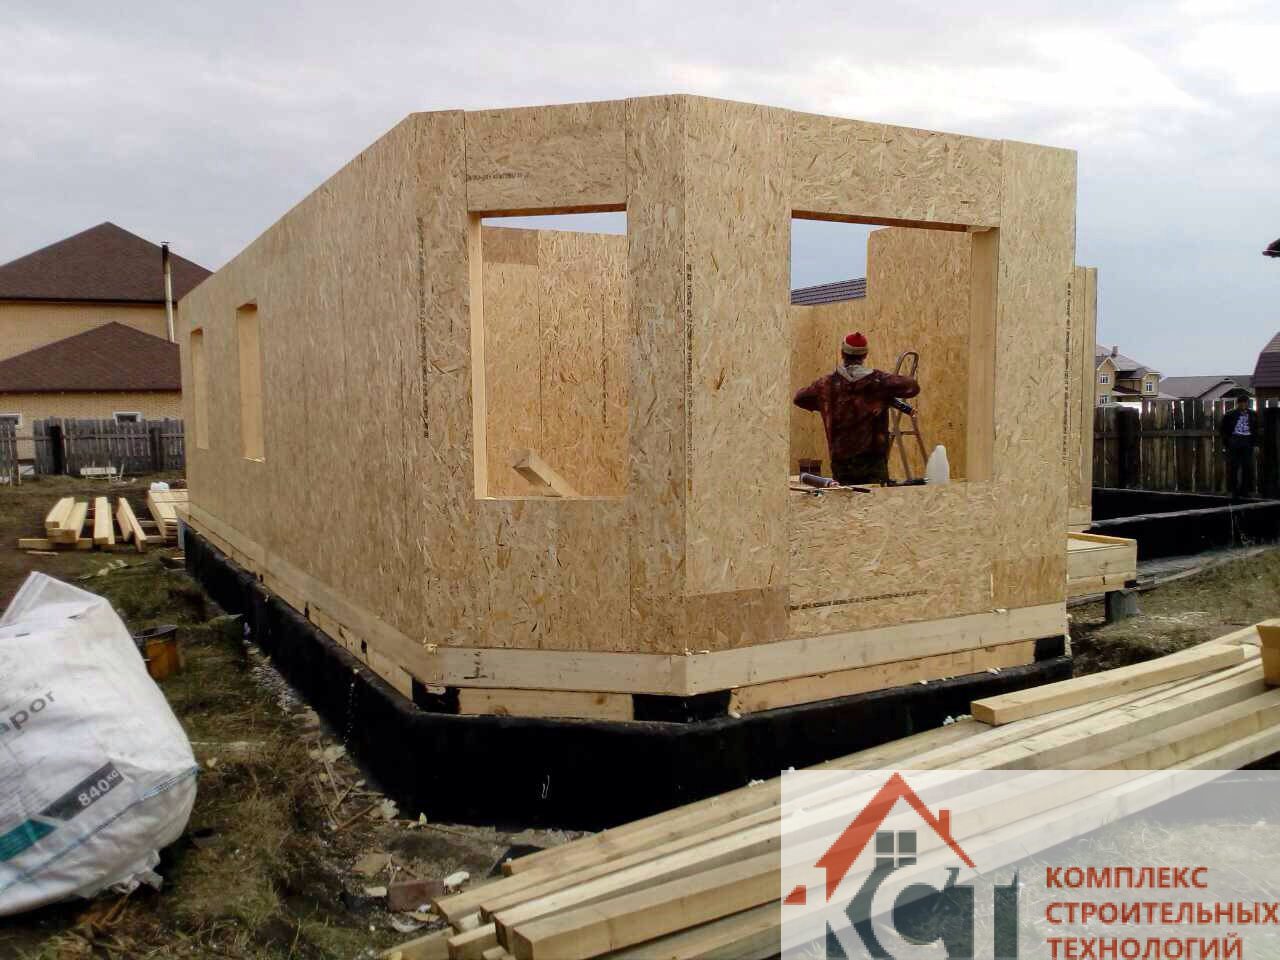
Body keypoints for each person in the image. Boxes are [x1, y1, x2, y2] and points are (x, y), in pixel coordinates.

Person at [793, 332, 920, 485]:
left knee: (845, 497)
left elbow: (799, 398)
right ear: (865, 355)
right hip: (873, 462)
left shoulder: (825, 385)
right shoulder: (878, 381)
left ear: (842, 353)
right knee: (875, 498)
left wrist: (827, 406)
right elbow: (912, 387)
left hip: (841, 462)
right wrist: (883, 386)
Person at [1220, 395, 1259, 499]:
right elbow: (1223, 430)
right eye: (1241, 402)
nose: (1243, 404)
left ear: (1247, 403)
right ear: (1238, 403)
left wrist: (1255, 444)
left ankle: (1245, 491)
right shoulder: (1230, 414)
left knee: (1247, 467)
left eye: (1245, 402)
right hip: (1235, 440)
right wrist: (1227, 443)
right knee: (1234, 467)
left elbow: (1255, 430)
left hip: (1247, 441)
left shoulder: (1253, 414)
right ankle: (1234, 491)